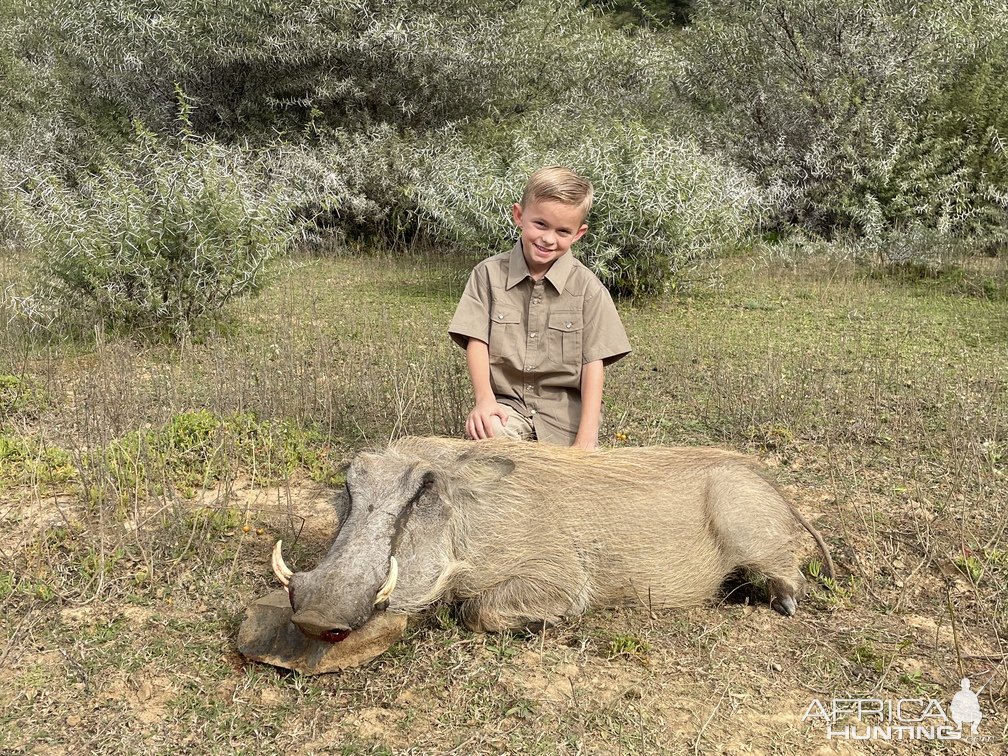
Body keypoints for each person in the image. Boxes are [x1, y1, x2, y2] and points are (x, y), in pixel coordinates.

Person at [448, 166, 630, 449]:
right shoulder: (487, 275)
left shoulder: (587, 288)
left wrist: (587, 438)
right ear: (519, 216)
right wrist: (484, 401)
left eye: (562, 231)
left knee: (573, 484)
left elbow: (593, 365)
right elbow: (476, 341)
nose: (548, 239)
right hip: (506, 408)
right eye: (540, 224)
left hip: (563, 415)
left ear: (578, 234)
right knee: (489, 439)